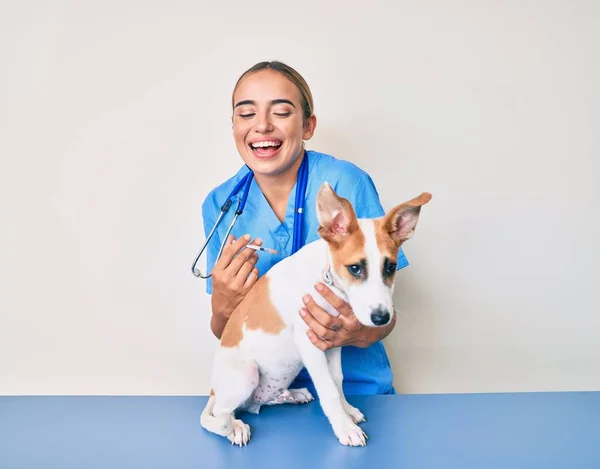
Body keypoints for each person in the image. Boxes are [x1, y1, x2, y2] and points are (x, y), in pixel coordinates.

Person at [200, 60, 409, 396]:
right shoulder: (221, 203)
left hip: (356, 393)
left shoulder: (346, 183)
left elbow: (385, 315)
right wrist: (222, 304)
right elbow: (229, 333)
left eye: (281, 112)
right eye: (246, 113)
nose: (262, 126)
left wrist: (354, 330)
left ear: (308, 126)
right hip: (267, 393)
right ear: (234, 125)